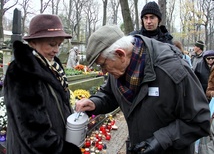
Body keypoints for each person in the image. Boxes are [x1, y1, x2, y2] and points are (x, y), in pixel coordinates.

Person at [75, 25, 210, 154]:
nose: (104, 72)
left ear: (120, 54)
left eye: (103, 65)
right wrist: (95, 103)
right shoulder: (117, 69)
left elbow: (200, 120)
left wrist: (161, 140)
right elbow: (110, 94)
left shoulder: (173, 71)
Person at [4, 14, 81, 154]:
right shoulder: (22, 71)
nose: (57, 50)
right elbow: (33, 131)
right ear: (33, 42)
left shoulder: (51, 65)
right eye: (52, 44)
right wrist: (65, 150)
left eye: (59, 44)